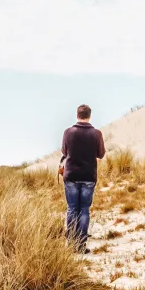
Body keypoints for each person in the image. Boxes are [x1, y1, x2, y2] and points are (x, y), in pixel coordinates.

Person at [58, 103, 106, 251]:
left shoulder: (68, 132)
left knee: (72, 209)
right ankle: (81, 244)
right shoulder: (96, 133)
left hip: (71, 175)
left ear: (77, 115)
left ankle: (71, 244)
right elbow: (101, 154)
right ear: (89, 116)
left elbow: (64, 151)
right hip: (88, 175)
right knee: (84, 209)